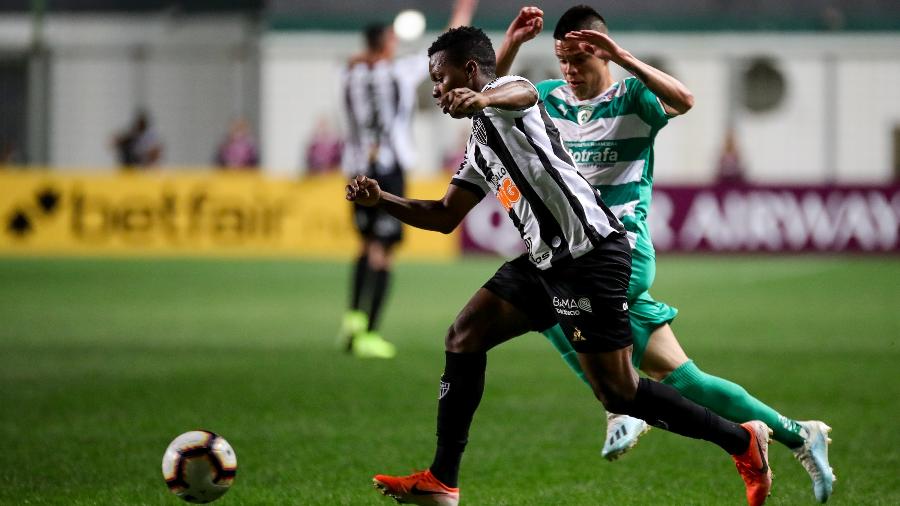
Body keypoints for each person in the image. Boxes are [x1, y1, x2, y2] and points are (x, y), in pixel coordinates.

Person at [348, 26, 773, 506]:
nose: (437, 90)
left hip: (589, 256)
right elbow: (445, 216)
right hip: (546, 261)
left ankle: (743, 442)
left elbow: (520, 89)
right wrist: (382, 198)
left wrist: (482, 99)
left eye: (441, 79)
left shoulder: (512, 100)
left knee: (619, 393)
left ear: (470, 72)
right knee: (463, 335)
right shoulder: (480, 140)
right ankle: (443, 480)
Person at [495, 5, 834, 503]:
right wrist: (513, 43)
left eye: (579, 60)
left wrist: (622, 57)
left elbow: (685, 99)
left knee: (545, 301)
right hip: (579, 254)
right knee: (684, 379)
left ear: (600, 52)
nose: (569, 70)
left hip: (621, 251)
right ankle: (800, 434)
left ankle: (620, 409)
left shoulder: (633, 96)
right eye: (562, 60)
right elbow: (491, 96)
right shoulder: (548, 99)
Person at [336, 0, 478, 359]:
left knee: (366, 245)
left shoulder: (348, 73)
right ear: (386, 43)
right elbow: (447, 44)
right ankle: (369, 332)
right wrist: (463, 12)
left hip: (356, 167)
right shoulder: (399, 71)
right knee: (383, 253)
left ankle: (352, 318)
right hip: (388, 168)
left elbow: (359, 69)